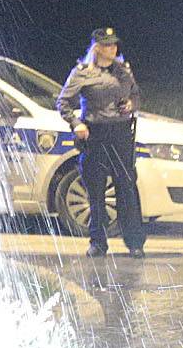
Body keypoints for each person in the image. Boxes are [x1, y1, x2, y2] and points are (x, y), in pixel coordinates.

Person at [57, 25, 145, 257]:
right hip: (95, 134)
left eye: (115, 44)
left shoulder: (123, 70)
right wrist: (77, 124)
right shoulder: (83, 72)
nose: (113, 48)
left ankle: (135, 243)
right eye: (108, 45)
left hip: (120, 133)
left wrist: (131, 105)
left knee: (126, 186)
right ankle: (97, 241)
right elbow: (63, 102)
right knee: (95, 189)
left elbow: (135, 94)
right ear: (97, 48)